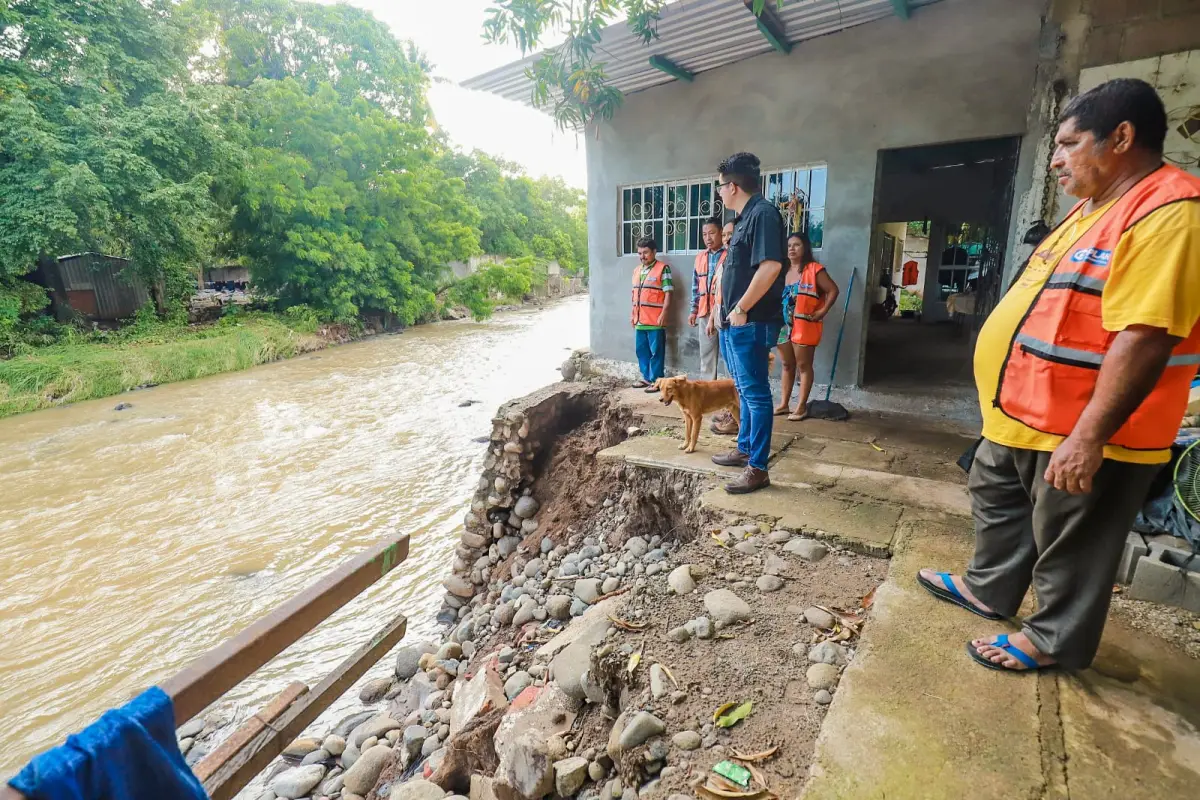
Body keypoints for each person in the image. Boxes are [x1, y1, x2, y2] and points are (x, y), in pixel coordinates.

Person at [918, 78, 1200, 672]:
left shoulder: (1170, 211)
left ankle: (1052, 640)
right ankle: (989, 588)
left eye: (1070, 143)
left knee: (1073, 538)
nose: (1056, 158)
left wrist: (1089, 437)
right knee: (996, 496)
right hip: (1024, 414)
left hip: (1087, 426)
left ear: (1121, 137)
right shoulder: (1091, 209)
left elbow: (1146, 335)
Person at [711, 152, 786, 494]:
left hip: (750, 322)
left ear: (734, 186)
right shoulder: (743, 219)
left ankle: (758, 467)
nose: (719, 192)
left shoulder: (763, 215)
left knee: (755, 395)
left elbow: (770, 267)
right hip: (733, 322)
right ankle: (744, 448)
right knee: (742, 390)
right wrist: (722, 308)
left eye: (721, 186)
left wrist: (740, 308)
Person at [775, 233, 839, 420]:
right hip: (783, 325)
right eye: (789, 246)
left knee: (803, 365)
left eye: (797, 245)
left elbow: (833, 290)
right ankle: (784, 404)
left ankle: (801, 406)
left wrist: (823, 311)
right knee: (787, 365)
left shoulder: (814, 270)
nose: (792, 249)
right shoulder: (782, 270)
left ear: (805, 248)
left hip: (804, 324)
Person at [708, 220, 740, 436]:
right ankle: (733, 413)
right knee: (732, 374)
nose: (727, 238)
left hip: (736, 325)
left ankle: (738, 420)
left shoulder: (743, 260)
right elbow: (717, 294)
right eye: (726, 234)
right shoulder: (724, 258)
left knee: (739, 377)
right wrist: (712, 318)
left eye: (731, 234)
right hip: (723, 323)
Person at [630, 236, 673, 393]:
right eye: (640, 253)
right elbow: (634, 295)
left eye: (646, 252)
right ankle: (646, 378)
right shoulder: (636, 271)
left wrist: (664, 313)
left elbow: (668, 294)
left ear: (654, 252)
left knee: (656, 352)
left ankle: (656, 380)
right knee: (641, 350)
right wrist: (632, 315)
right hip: (640, 320)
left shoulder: (663, 269)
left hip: (655, 320)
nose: (642, 256)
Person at [690, 218, 727, 379]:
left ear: (721, 233)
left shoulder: (729, 254)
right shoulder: (700, 257)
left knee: (729, 358)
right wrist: (693, 310)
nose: (708, 238)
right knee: (706, 357)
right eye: (704, 234)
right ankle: (708, 394)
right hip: (705, 312)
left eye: (712, 233)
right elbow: (695, 286)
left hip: (725, 313)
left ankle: (730, 393)